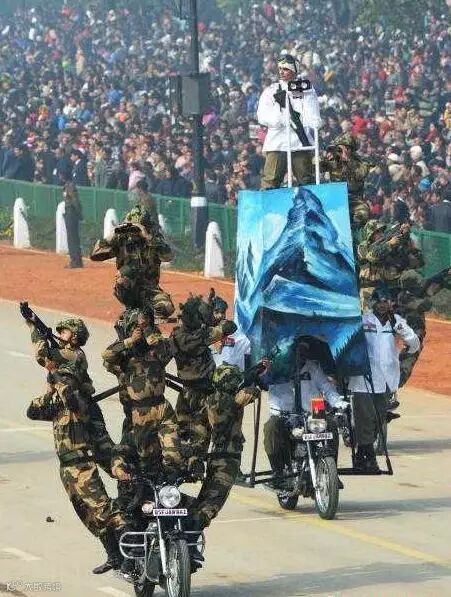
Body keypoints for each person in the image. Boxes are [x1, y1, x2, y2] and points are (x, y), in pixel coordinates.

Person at [24, 316, 128, 575]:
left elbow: (52, 363)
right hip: (67, 467)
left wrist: (56, 376)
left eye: (65, 331)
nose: (60, 333)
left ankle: (132, 547)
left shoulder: (79, 395)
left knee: (104, 509)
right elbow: (32, 412)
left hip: (82, 464)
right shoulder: (58, 401)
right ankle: (114, 555)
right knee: (88, 515)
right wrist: (50, 391)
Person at [102, 304, 185, 484]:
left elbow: (167, 349)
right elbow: (107, 356)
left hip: (162, 407)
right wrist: (130, 340)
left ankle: (169, 486)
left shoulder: (156, 351)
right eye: (135, 328)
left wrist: (147, 329)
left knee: (173, 455)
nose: (139, 331)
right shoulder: (124, 355)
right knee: (145, 459)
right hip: (139, 412)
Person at [348, 286, 420, 471]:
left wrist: (403, 337)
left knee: (379, 417)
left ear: (391, 303)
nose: (382, 305)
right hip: (364, 377)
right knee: (365, 417)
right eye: (379, 302)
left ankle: (363, 453)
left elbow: (414, 343)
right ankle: (368, 456)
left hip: (386, 379)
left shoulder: (396, 321)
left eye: (386, 302)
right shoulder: (363, 320)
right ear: (373, 303)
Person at [263, 338, 347, 486]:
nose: (300, 355)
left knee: (331, 425)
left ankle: (331, 472)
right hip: (285, 414)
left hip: (313, 411)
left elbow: (327, 388)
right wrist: (266, 371)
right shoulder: (276, 368)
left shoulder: (313, 368)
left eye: (303, 351)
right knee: (271, 428)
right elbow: (264, 382)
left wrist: (338, 403)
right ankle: (278, 473)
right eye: (296, 351)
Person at [171, 296, 237, 476]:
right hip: (203, 392)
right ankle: (195, 463)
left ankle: (181, 464)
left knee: (182, 429)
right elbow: (230, 327)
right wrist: (212, 322)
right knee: (201, 431)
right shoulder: (202, 335)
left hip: (185, 391)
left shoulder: (176, 335)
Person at [257, 54, 322, 189]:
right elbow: (262, 116)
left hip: (300, 141)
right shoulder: (271, 91)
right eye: (280, 69)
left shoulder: (306, 89)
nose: (282, 72)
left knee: (306, 180)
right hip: (278, 141)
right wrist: (280, 118)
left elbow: (312, 114)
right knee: (270, 181)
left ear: (294, 70)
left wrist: (314, 121)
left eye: (286, 69)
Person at [90, 217, 174, 319]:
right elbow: (95, 255)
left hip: (150, 289)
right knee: (125, 275)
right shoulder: (122, 240)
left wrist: (147, 236)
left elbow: (168, 256)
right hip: (129, 288)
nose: (133, 232)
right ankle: (132, 310)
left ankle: (147, 315)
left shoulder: (153, 240)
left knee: (167, 308)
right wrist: (113, 234)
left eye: (136, 228)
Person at [320, 133, 371, 231]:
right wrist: (325, 157)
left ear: (349, 150)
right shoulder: (334, 161)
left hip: (353, 199)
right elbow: (317, 168)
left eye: (342, 149)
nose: (339, 152)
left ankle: (353, 233)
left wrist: (347, 160)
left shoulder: (361, 162)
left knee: (362, 213)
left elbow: (360, 174)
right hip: (335, 196)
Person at [63, 182, 83, 269]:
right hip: (70, 212)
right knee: (73, 238)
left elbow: (75, 201)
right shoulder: (68, 186)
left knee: (72, 239)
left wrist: (79, 214)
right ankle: (77, 260)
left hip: (71, 212)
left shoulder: (70, 186)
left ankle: (75, 261)